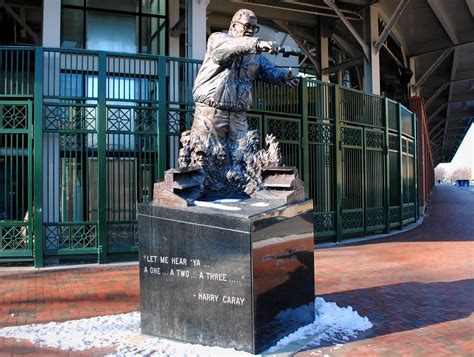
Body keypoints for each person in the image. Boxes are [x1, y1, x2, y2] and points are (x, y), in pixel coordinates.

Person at [189, 8, 299, 152]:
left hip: (238, 114)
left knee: (241, 156)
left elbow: (268, 70)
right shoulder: (218, 39)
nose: (251, 30)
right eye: (247, 26)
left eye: (254, 27)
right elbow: (232, 47)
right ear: (233, 25)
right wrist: (257, 44)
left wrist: (283, 77)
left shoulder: (254, 55)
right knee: (204, 154)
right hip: (211, 112)